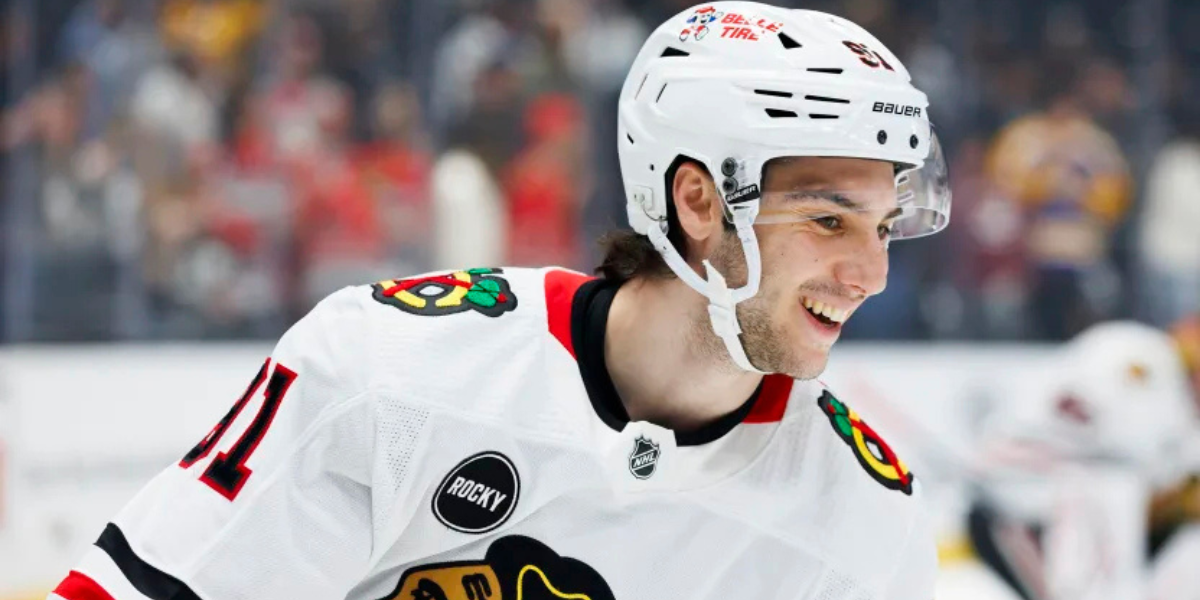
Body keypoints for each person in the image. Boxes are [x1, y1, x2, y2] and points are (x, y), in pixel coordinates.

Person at [47, 3, 951, 600]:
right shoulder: (390, 369)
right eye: (829, 221)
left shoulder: (864, 521)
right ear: (698, 201)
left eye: (883, 227)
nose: (870, 274)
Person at [964, 321, 1200, 600]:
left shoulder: (1148, 362)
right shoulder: (1147, 363)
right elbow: (1131, 453)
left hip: (1034, 498)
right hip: (1025, 502)